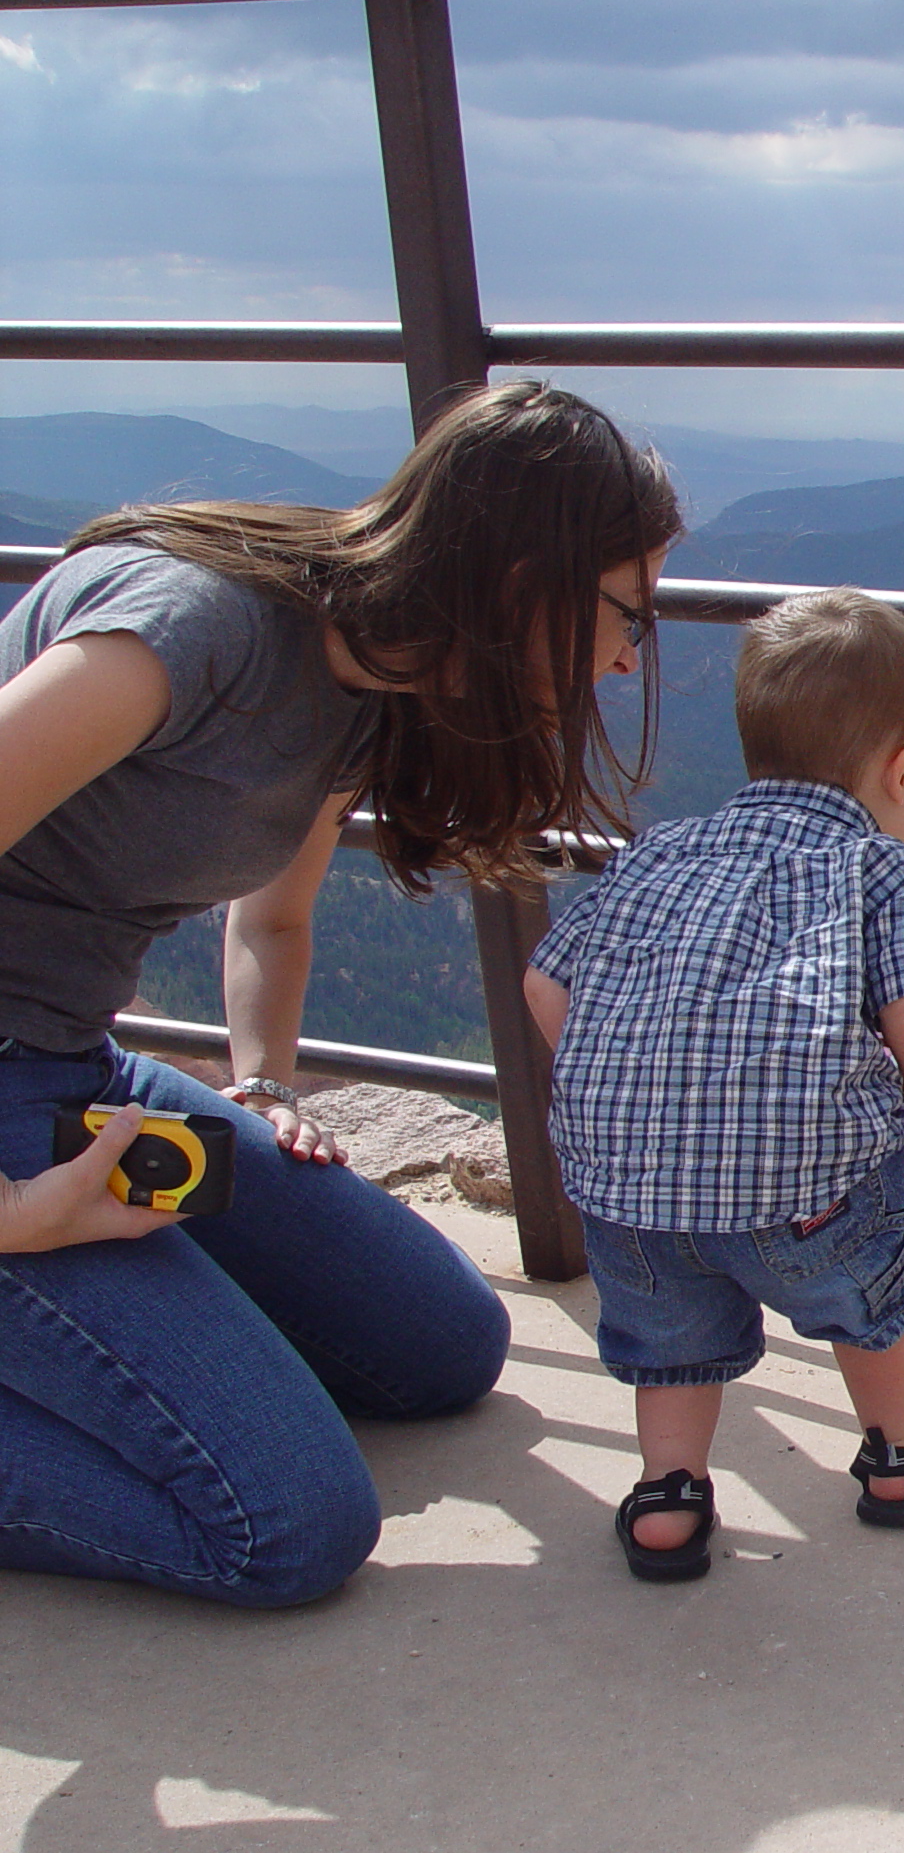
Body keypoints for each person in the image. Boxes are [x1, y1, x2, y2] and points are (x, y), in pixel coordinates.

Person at [0, 380, 681, 1607]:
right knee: (284, 1527)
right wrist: (13, 1218)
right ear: (523, 582)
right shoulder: (192, 627)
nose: (633, 650)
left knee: (442, 1348)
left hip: (66, 1063)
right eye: (628, 608)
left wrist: (259, 1083)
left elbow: (274, 915)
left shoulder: (367, 676)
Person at [524, 585, 904, 1583]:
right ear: (903, 771)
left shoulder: (661, 852)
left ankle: (666, 1496)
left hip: (630, 1195)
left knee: (668, 1344)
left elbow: (545, 982)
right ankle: (900, 1462)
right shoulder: (889, 876)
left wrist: (630, 1080)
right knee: (876, 1309)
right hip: (814, 1192)